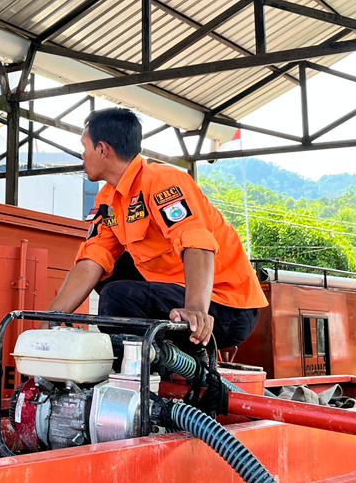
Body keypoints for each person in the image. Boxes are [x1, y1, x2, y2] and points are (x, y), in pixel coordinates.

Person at [48, 108, 266, 348]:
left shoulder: (162, 181)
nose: (82, 155)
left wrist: (195, 310)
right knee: (108, 273)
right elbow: (92, 260)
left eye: (85, 146)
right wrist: (52, 320)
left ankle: (144, 361)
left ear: (102, 149)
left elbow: (197, 243)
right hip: (174, 293)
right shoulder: (108, 199)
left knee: (116, 297)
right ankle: (156, 357)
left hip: (225, 305)